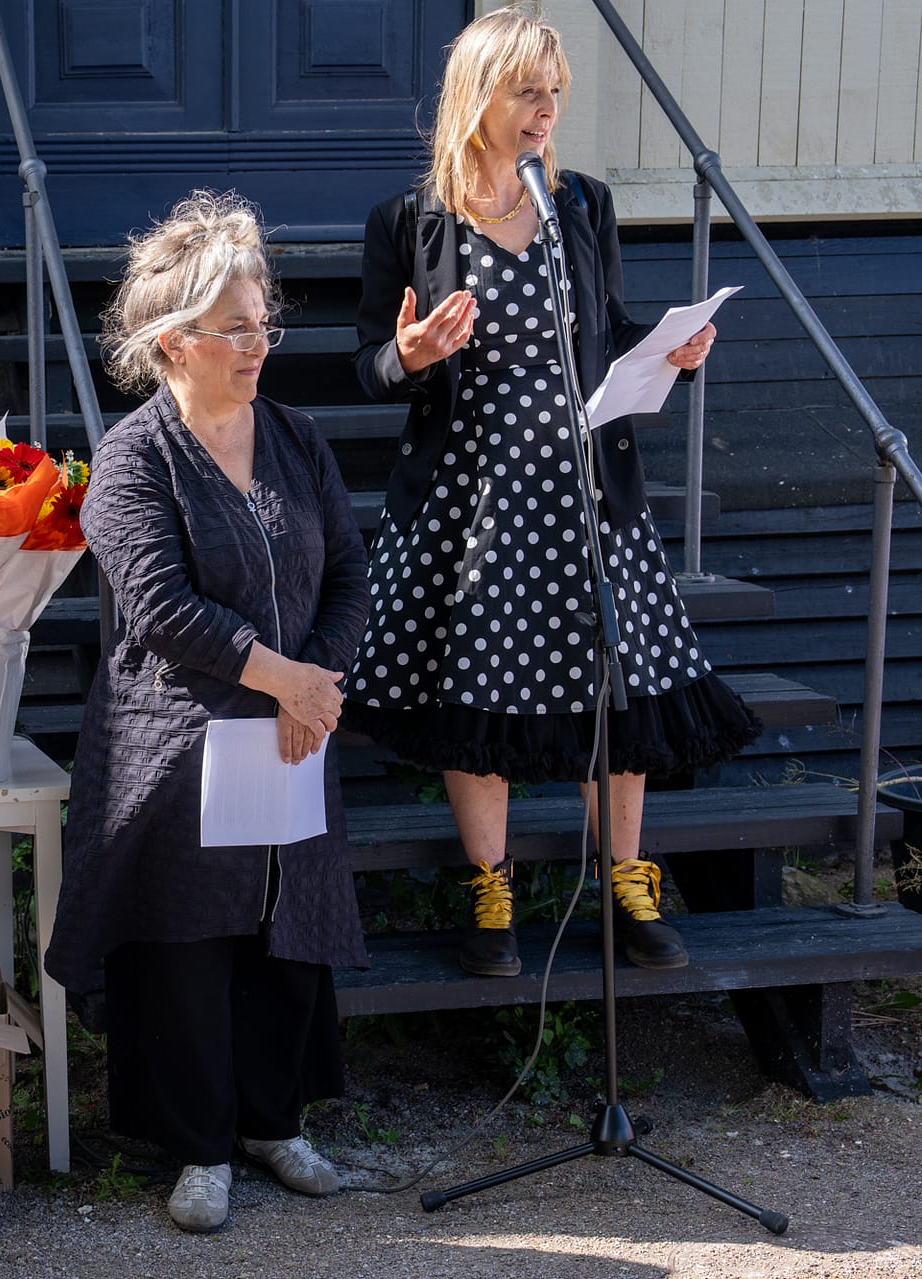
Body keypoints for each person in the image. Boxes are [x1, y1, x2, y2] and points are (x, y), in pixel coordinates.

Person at [344, 7, 759, 979]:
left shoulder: (581, 204)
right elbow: (361, 365)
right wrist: (404, 355)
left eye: (553, 92)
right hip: (469, 495)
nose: (545, 110)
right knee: (475, 691)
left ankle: (623, 881)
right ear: (475, 94)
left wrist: (674, 351)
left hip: (586, 490)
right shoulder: (408, 222)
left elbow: (606, 329)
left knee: (611, 683)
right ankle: (488, 897)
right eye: (526, 90)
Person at [43, 192, 371, 1234]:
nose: (256, 345)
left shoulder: (294, 436)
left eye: (263, 322)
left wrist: (312, 684)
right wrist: (280, 678)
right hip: (176, 739)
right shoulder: (135, 456)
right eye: (235, 329)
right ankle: (196, 1148)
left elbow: (349, 577)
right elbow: (159, 605)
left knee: (283, 932)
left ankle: (272, 1122)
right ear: (174, 341)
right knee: (187, 943)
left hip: (291, 727)